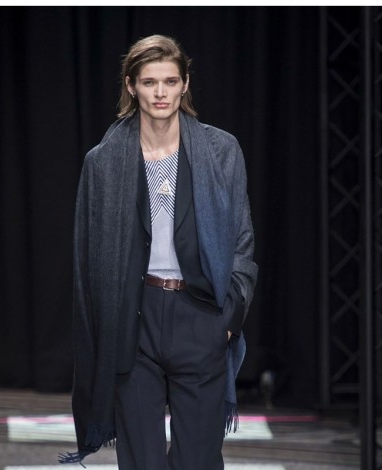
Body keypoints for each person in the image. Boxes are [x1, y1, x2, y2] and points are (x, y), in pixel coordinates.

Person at [59, 34, 258, 470]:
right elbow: (86, 260)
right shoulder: (103, 162)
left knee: (197, 461)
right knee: (141, 462)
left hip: (200, 313)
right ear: (131, 86)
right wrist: (104, 329)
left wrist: (228, 321)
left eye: (170, 81)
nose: (161, 93)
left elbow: (242, 241)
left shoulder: (221, 151)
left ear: (185, 84)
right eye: (149, 82)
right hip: (134, 319)